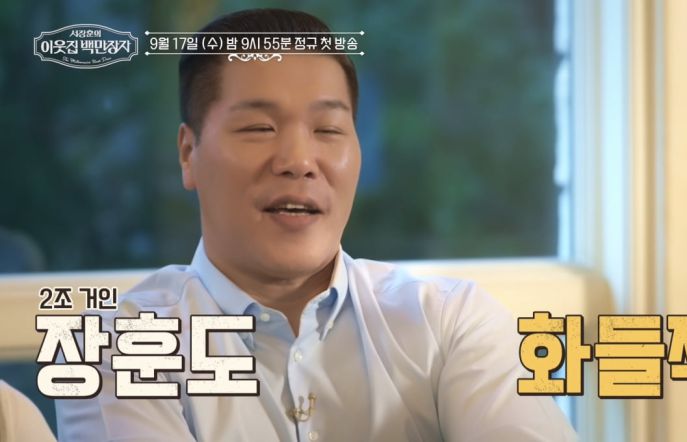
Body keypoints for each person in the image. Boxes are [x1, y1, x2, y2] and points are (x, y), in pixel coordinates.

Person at [56, 8, 577, 441]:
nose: (299, 161)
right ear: (188, 153)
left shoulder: (449, 321)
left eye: (328, 129)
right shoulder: (116, 349)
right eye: (259, 127)